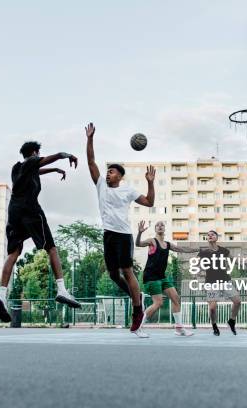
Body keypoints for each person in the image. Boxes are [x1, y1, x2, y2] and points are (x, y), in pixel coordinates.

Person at [0, 141, 81, 323]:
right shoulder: (32, 161)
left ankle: (1, 295)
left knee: (13, 253)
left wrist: (55, 170)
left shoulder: (17, 169)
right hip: (30, 211)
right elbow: (43, 161)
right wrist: (65, 155)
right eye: (38, 154)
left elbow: (37, 170)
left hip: (14, 211)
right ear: (34, 153)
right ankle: (62, 290)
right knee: (51, 248)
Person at [85, 122, 155, 338]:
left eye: (112, 171)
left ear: (120, 176)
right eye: (107, 171)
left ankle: (137, 311)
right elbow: (90, 161)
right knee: (113, 275)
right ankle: (137, 297)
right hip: (108, 235)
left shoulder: (127, 190)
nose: (108, 174)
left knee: (127, 271)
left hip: (124, 235)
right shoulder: (101, 185)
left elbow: (150, 202)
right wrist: (90, 139)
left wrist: (151, 183)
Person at [135, 220, 197, 336]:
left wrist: (197, 249)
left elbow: (182, 249)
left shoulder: (167, 244)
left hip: (162, 277)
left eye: (162, 225)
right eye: (157, 225)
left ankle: (179, 328)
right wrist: (139, 233)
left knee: (176, 299)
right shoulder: (152, 241)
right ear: (155, 229)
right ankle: (138, 326)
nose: (159, 226)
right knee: (158, 303)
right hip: (151, 276)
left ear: (164, 228)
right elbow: (138, 243)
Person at [197, 230, 241, 336]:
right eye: (208, 235)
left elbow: (233, 259)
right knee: (212, 308)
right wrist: (200, 272)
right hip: (211, 283)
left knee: (237, 301)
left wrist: (243, 262)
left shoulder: (223, 250)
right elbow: (197, 266)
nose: (210, 236)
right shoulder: (204, 252)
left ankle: (232, 321)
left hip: (225, 280)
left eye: (212, 234)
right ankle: (215, 326)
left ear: (217, 237)